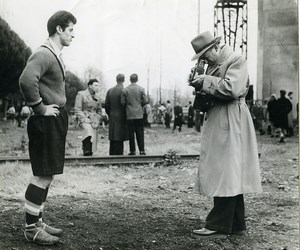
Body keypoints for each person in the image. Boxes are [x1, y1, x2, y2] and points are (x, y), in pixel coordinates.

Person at [189, 31, 262, 237]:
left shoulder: (236, 60)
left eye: (204, 55)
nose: (203, 60)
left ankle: (218, 224)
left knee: (225, 170)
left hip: (231, 118)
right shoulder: (214, 65)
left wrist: (205, 81)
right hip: (222, 118)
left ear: (214, 47)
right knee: (229, 170)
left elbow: (232, 89)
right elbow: (211, 95)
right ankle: (236, 224)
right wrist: (199, 87)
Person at [19, 10, 77, 245]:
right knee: (42, 175)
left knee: (47, 174)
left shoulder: (54, 54)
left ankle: (38, 220)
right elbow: (26, 80)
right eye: (71, 30)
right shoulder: (44, 53)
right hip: (45, 121)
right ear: (59, 29)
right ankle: (31, 228)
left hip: (53, 120)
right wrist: (40, 108)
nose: (74, 35)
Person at [121, 73, 147, 155]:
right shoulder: (141, 89)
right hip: (139, 114)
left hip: (130, 115)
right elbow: (145, 101)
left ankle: (132, 151)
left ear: (130, 80)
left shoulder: (125, 90)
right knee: (140, 133)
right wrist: (139, 105)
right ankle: (142, 150)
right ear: (137, 79)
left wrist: (128, 106)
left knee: (131, 134)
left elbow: (122, 102)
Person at [74, 79, 102, 156]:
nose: (97, 87)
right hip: (84, 118)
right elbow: (77, 109)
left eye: (98, 85)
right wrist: (84, 118)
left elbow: (99, 111)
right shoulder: (81, 94)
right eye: (95, 85)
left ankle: (90, 152)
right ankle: (86, 150)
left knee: (94, 129)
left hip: (94, 119)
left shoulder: (98, 97)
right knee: (88, 129)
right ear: (90, 86)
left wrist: (97, 120)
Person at [104, 73, 129, 155]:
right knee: (120, 136)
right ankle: (119, 154)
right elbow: (125, 104)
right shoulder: (124, 90)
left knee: (113, 136)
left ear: (116, 79)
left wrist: (110, 113)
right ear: (124, 80)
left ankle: (112, 154)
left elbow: (106, 105)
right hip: (122, 116)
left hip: (112, 115)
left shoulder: (110, 90)